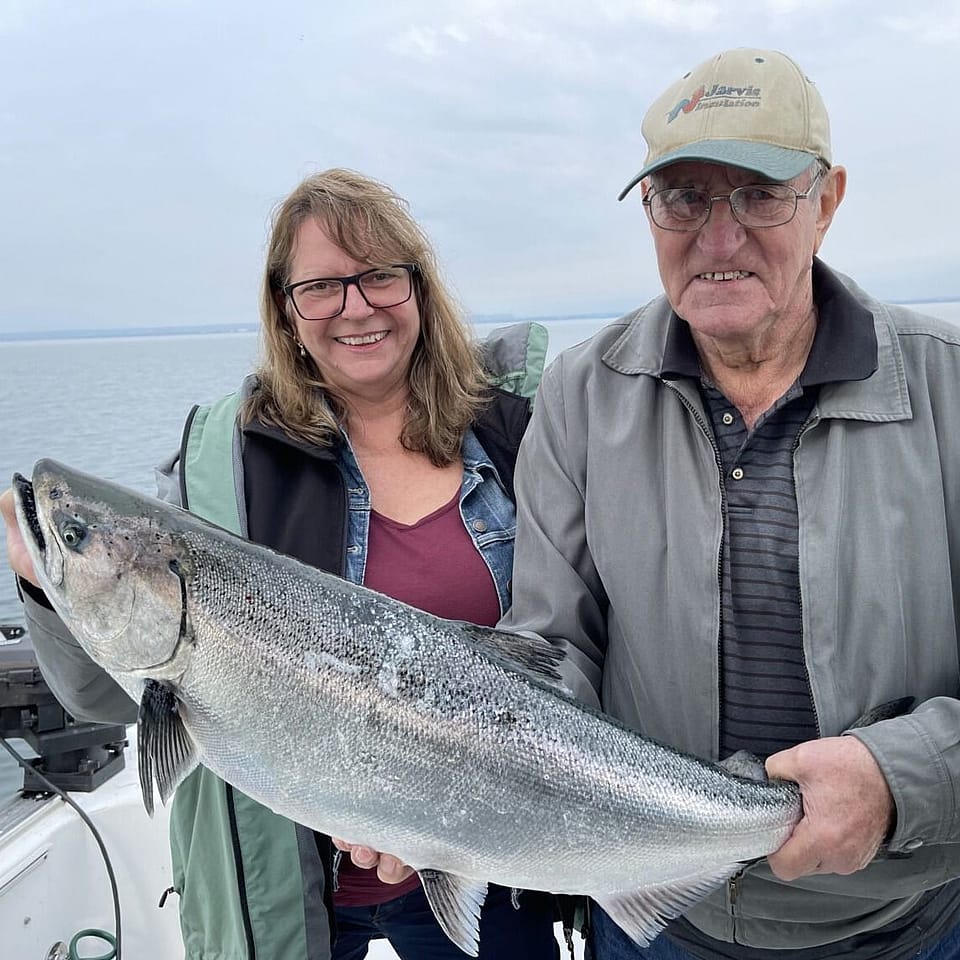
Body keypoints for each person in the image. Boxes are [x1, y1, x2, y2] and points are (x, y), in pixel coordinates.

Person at [0, 168, 560, 960]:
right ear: (287, 310)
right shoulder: (220, 473)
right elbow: (108, 696)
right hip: (290, 897)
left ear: (419, 290)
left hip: (489, 864)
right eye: (323, 287)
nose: (355, 307)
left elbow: (570, 650)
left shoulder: (517, 440)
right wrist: (45, 579)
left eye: (378, 277)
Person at [500, 47, 960, 960]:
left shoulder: (950, 386)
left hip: (907, 924)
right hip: (659, 919)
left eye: (759, 194)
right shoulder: (580, 395)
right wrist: (419, 780)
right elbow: (552, 652)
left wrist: (904, 778)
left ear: (826, 202)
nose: (719, 237)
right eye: (683, 197)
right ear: (649, 212)